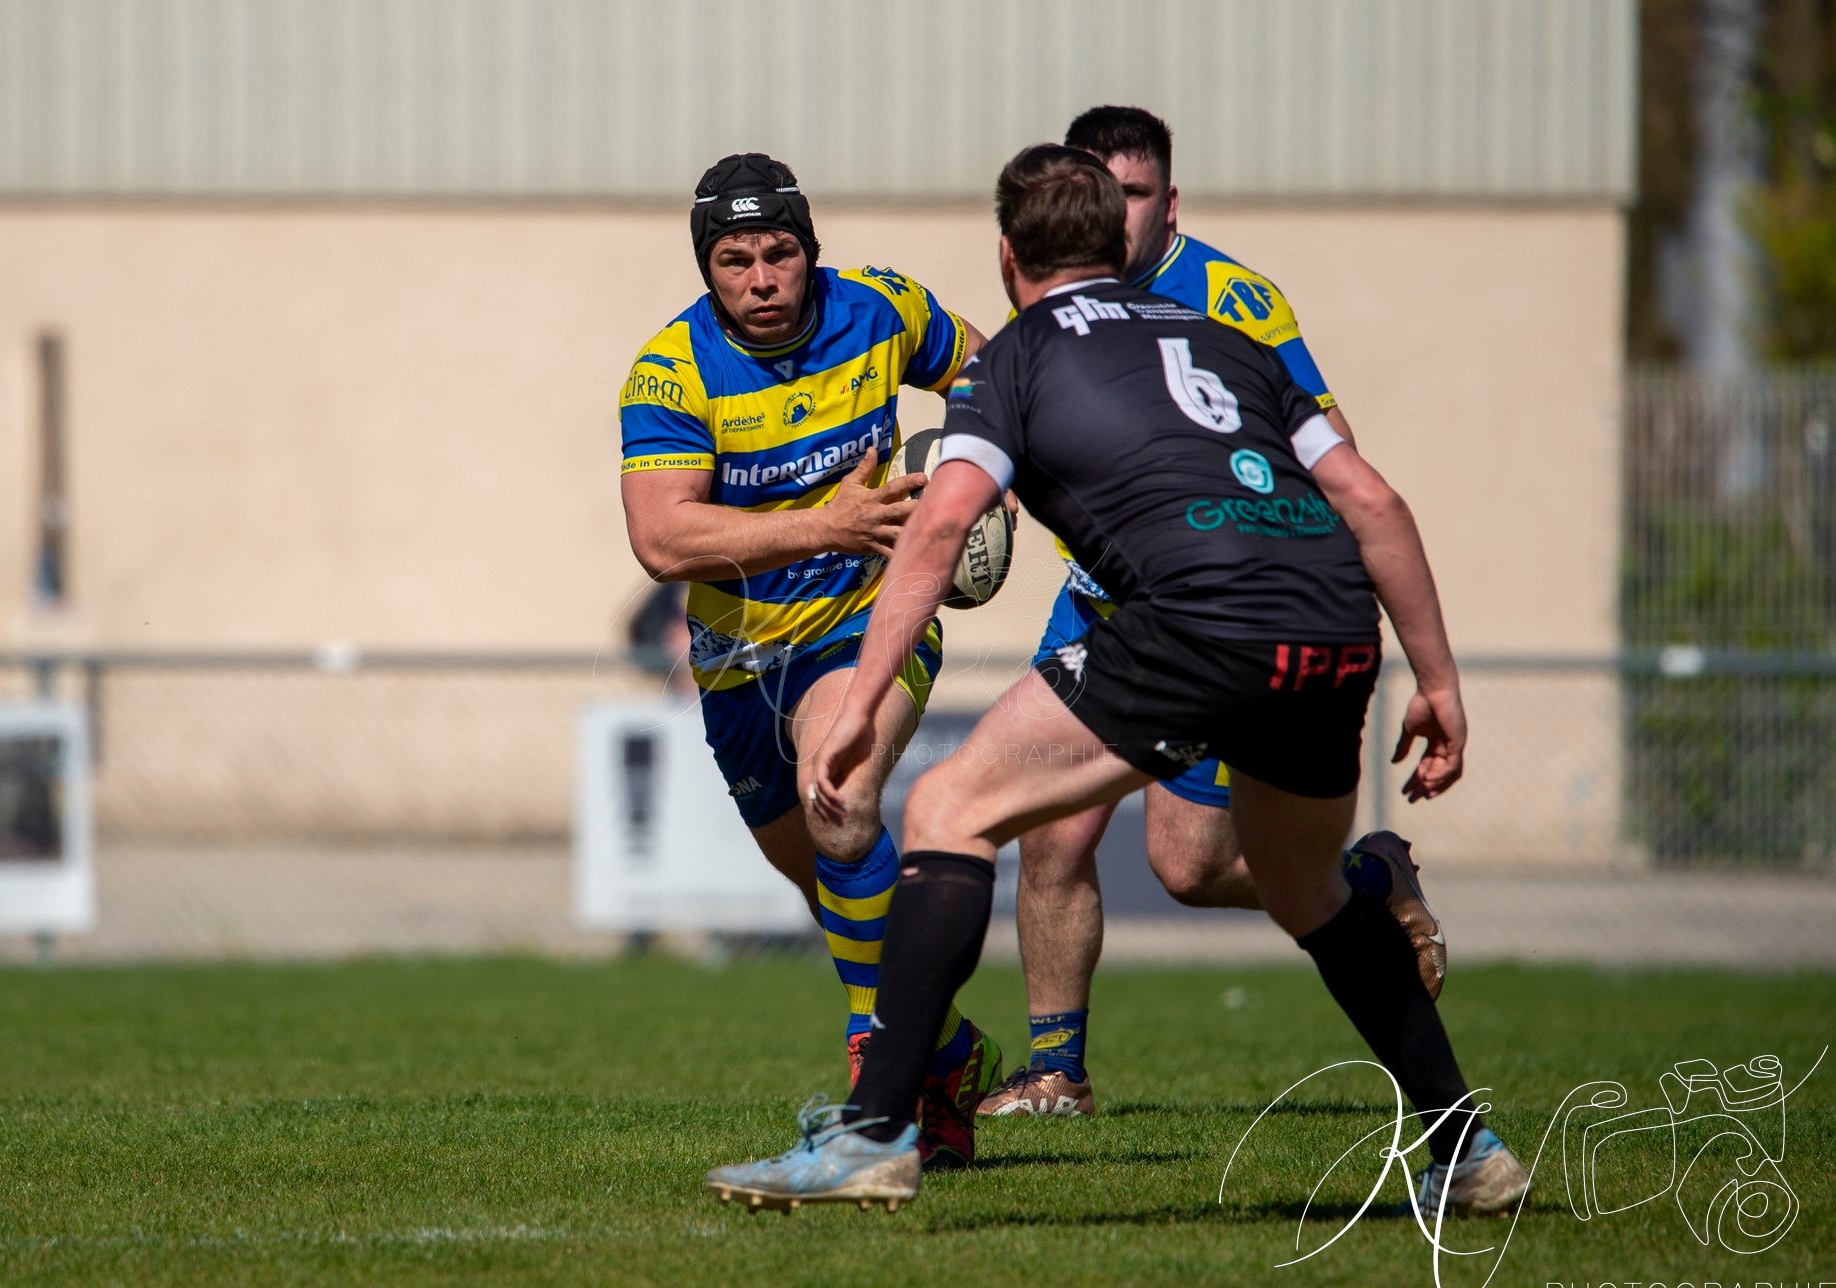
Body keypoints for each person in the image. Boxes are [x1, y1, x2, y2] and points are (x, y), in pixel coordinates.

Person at [704, 145, 1528, 1217]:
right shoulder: (1230, 341)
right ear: (1121, 241)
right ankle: (1468, 1150)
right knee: (1304, 885)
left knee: (951, 807)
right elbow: (1371, 500)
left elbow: (942, 519)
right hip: (1329, 619)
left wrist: (857, 701)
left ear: (1010, 258)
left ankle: (870, 1136)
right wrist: (1441, 680)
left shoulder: (1019, 358)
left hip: (1197, 617)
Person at [980, 107, 1444, 1119]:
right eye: (1097, 189)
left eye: (1135, 193)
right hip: (1103, 602)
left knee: (1188, 865)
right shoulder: (1052, 292)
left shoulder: (1233, 298)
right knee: (1050, 831)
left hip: (1216, 606)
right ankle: (1057, 1070)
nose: (1114, 211)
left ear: (1169, 202)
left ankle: (1365, 884)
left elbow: (1335, 445)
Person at [618, 153, 1003, 1167]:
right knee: (832, 886)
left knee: (839, 798)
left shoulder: (880, 309)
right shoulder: (672, 370)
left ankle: (879, 1075)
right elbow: (662, 540)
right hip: (739, 658)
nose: (761, 277)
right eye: (735, 259)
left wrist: (975, 470)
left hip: (867, 621)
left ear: (809, 250)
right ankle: (950, 1057)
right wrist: (825, 522)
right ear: (708, 268)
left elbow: (991, 371)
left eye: (780, 251)